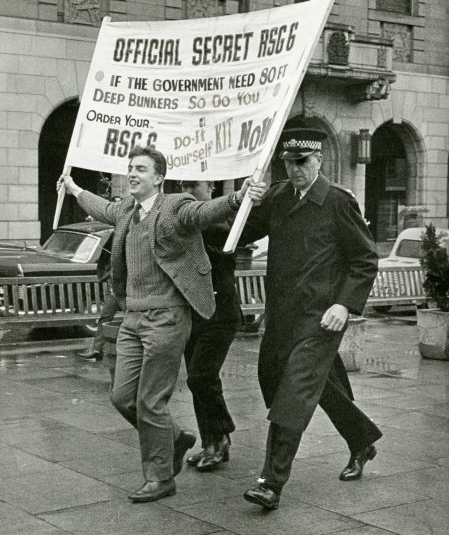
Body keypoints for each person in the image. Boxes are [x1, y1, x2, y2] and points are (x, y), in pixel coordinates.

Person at [57, 146, 264, 504]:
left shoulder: (174, 206)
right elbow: (100, 207)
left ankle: (160, 477)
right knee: (122, 398)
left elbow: (203, 212)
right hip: (133, 319)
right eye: (130, 168)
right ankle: (176, 438)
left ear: (158, 178)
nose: (133, 174)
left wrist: (238, 196)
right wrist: (73, 188)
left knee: (150, 401)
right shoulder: (125, 210)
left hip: (167, 318)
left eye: (141, 169)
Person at [240, 128, 383, 510]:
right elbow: (240, 233)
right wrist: (243, 201)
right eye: (288, 162)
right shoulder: (277, 197)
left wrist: (345, 305)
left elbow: (365, 258)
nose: (295, 169)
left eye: (302, 162)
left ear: (318, 160)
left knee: (294, 393)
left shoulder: (337, 201)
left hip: (322, 319)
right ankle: (361, 440)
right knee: (282, 380)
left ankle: (270, 483)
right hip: (282, 316)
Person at [180, 181, 241, 471]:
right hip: (193, 313)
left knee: (200, 377)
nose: (189, 190)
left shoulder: (218, 223)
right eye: (183, 185)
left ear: (211, 187)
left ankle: (222, 435)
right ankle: (211, 443)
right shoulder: (181, 220)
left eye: (196, 185)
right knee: (199, 379)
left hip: (219, 313)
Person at [76, 234, 120, 366]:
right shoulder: (117, 232)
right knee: (105, 317)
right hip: (115, 285)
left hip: (124, 286)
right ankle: (97, 349)